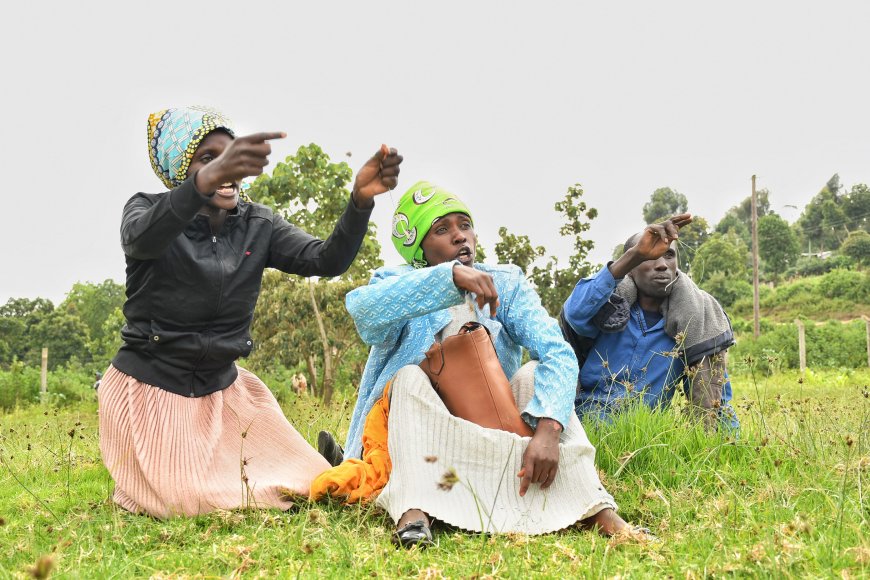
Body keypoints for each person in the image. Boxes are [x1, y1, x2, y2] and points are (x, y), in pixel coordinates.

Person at [98, 106, 402, 518]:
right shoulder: (146, 212)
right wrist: (205, 182)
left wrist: (360, 201)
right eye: (209, 159)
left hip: (223, 391)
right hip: (152, 391)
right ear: (181, 171)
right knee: (191, 502)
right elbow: (141, 242)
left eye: (230, 159)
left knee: (310, 484)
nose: (227, 171)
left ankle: (314, 456)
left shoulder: (258, 224)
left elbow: (325, 259)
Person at [313, 182, 638, 547]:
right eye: (441, 229)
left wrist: (548, 429)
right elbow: (365, 312)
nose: (459, 237)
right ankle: (414, 509)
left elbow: (558, 352)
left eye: (464, 225)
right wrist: (448, 278)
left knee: (532, 373)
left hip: (491, 429)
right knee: (406, 378)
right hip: (423, 439)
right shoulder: (396, 281)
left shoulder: (506, 283)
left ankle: (595, 507)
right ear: (418, 247)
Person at [561, 214, 739, 430]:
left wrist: (729, 451)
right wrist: (634, 255)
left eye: (669, 255)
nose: (662, 265)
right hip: (582, 425)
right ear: (631, 267)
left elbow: (719, 400)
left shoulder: (696, 320)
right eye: (649, 256)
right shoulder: (607, 306)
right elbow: (575, 312)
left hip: (643, 436)